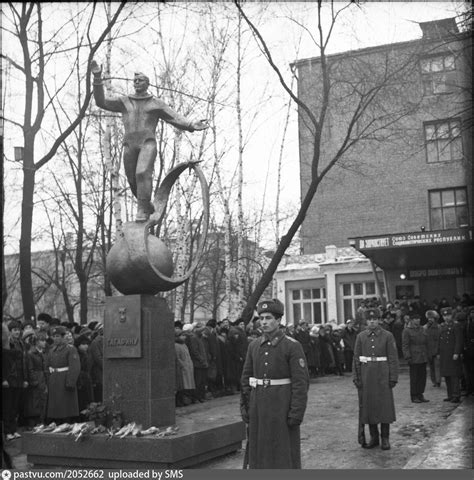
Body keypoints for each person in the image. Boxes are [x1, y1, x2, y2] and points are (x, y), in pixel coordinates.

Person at [90, 61, 208, 221]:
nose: (137, 82)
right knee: (132, 180)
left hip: (147, 143)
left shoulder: (155, 103)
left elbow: (174, 116)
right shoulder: (124, 102)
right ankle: (147, 204)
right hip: (129, 144)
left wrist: (191, 125)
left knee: (142, 173)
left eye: (141, 80)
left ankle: (142, 211)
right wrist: (97, 78)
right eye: (135, 81)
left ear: (147, 84)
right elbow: (101, 102)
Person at [240, 299, 309, 469]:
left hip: (282, 406)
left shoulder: (292, 346)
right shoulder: (254, 346)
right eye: (261, 318)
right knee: (259, 450)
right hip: (258, 407)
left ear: (278, 321)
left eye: (268, 318)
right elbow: (246, 379)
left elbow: (300, 383)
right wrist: (246, 407)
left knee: (282, 452)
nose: (264, 322)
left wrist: (296, 413)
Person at [353, 308, 399, 450]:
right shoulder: (361, 337)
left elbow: (392, 357)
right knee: (369, 406)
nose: (372, 321)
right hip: (367, 375)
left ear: (379, 320)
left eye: (374, 319)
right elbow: (356, 358)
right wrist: (357, 377)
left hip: (383, 375)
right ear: (366, 321)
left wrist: (393, 377)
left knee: (384, 407)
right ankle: (374, 437)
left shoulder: (387, 336)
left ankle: (385, 438)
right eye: (369, 319)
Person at [46, 326, 81, 423]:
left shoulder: (70, 349)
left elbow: (75, 367)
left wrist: (71, 382)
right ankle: (58, 423)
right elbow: (47, 365)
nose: (55, 338)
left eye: (58, 336)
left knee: (66, 406)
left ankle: (67, 423)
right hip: (54, 380)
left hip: (65, 379)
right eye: (54, 336)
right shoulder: (52, 350)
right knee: (56, 406)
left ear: (63, 337)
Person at [438, 307, 464, 403]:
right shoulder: (442, 326)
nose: (446, 317)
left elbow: (458, 340)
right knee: (447, 375)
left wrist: (456, 352)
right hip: (444, 354)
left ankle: (456, 395)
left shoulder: (456, 325)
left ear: (451, 315)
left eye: (448, 315)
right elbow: (440, 341)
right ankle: (450, 395)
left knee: (454, 375)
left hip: (452, 354)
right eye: (444, 316)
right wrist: (438, 352)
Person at [402, 315, 429, 403]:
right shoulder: (407, 330)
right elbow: (405, 345)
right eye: (415, 319)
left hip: (423, 355)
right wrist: (407, 356)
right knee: (414, 377)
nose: (417, 320)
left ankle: (420, 394)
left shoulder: (422, 329)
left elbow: (426, 342)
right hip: (413, 357)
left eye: (418, 318)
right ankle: (414, 395)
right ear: (412, 320)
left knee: (422, 377)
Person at [424, 310, 441, 387]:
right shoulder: (425, 327)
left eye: (432, 318)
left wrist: (438, 351)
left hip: (436, 350)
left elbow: (439, 340)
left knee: (437, 367)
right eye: (429, 318)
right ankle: (434, 381)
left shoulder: (438, 327)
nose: (430, 319)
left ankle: (438, 381)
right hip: (428, 351)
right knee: (431, 367)